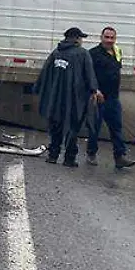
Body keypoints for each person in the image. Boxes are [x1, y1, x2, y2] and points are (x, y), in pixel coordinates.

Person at [34, 26, 97, 166]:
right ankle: (69, 158)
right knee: (72, 127)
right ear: (76, 38)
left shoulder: (56, 52)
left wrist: (39, 89)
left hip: (55, 99)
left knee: (55, 126)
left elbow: (45, 73)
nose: (82, 41)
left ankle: (53, 155)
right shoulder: (82, 54)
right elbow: (89, 74)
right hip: (75, 99)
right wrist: (93, 90)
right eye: (81, 38)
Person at [85, 26, 135, 168]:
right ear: (101, 37)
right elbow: (88, 75)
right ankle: (91, 153)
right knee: (95, 127)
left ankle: (120, 157)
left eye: (112, 37)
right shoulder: (93, 54)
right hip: (98, 97)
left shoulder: (117, 51)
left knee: (116, 128)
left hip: (113, 97)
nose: (109, 40)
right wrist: (95, 90)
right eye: (106, 37)